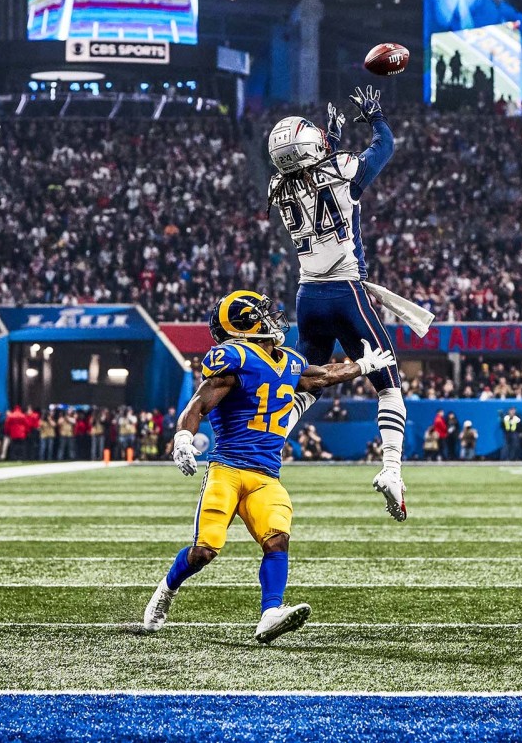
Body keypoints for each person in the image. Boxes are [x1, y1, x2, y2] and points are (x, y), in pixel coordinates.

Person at [142, 289, 397, 643]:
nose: (270, 318)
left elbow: (322, 375)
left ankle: (269, 613)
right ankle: (166, 591)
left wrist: (363, 366)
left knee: (277, 540)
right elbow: (198, 405)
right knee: (204, 551)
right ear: (245, 324)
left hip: (266, 475)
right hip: (228, 469)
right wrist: (183, 438)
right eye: (260, 313)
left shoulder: (289, 361)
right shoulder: (234, 359)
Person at [266, 86, 407, 521]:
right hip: (345, 290)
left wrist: (330, 133)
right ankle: (391, 471)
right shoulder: (342, 168)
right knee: (388, 382)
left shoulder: (276, 186)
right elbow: (384, 148)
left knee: (309, 382)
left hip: (308, 295)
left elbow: (312, 172)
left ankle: (270, 446)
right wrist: (375, 115)